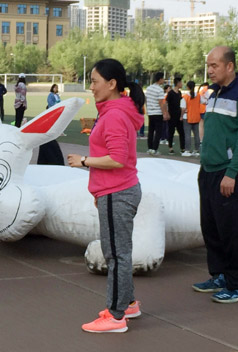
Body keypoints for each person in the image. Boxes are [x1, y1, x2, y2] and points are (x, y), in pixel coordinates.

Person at [67, 58, 144, 333]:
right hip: (115, 191)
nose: (91, 87)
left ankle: (115, 316)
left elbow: (117, 159)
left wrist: (84, 161)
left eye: (95, 81)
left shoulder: (113, 115)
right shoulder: (115, 110)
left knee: (116, 255)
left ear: (112, 84)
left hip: (118, 192)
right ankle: (128, 303)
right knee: (119, 252)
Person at [192, 46, 238, 304]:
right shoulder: (212, 93)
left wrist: (231, 173)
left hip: (229, 173)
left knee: (233, 230)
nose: (209, 70)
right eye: (208, 65)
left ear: (230, 66)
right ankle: (219, 275)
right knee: (212, 228)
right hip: (208, 170)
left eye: (214, 65)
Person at [145, 72, 166, 155]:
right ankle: (155, 148)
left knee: (151, 131)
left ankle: (150, 148)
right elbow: (161, 102)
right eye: (163, 78)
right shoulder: (160, 90)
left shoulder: (149, 88)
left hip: (151, 112)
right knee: (158, 132)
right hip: (158, 112)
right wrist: (165, 113)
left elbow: (146, 100)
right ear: (160, 79)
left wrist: (148, 109)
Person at [181, 81, 201, 157]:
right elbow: (203, 102)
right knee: (196, 135)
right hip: (196, 117)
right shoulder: (198, 95)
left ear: (188, 87)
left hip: (187, 117)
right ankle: (197, 150)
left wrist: (181, 116)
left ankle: (187, 150)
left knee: (187, 135)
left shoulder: (185, 96)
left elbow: (183, 108)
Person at [165, 75, 185, 155]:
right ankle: (170, 148)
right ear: (178, 83)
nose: (182, 84)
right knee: (171, 132)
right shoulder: (170, 93)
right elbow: (166, 103)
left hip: (178, 115)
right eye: (181, 82)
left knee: (181, 132)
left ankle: (182, 148)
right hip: (172, 115)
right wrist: (167, 113)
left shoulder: (179, 93)